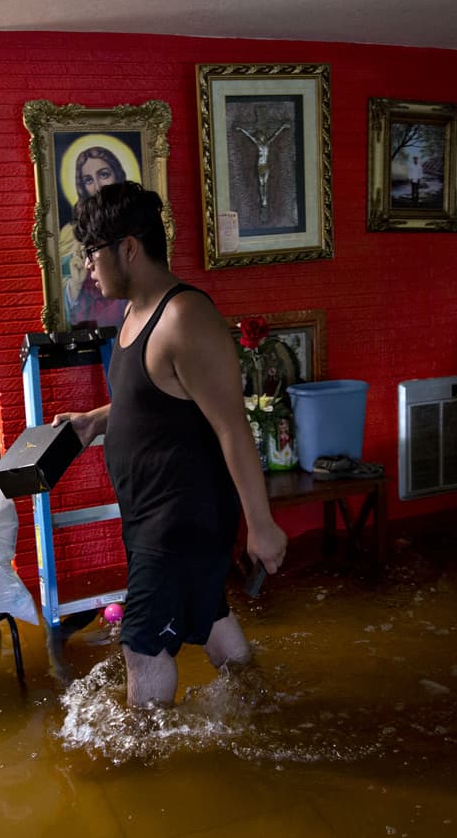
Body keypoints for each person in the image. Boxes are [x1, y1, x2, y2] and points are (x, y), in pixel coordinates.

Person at [54, 181, 288, 707]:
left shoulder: (185, 317)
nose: (88, 266)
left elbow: (231, 426)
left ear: (128, 248)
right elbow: (156, 401)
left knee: (141, 644)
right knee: (208, 611)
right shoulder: (135, 313)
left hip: (180, 517)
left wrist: (262, 524)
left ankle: (144, 753)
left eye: (92, 251)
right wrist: (95, 420)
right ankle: (262, 706)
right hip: (153, 514)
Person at [60, 146, 129, 329]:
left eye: (104, 175)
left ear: (117, 174)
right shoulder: (70, 233)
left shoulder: (133, 224)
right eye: (89, 180)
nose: (97, 186)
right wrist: (75, 284)